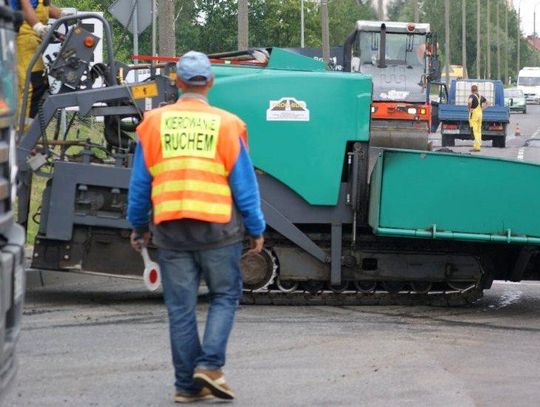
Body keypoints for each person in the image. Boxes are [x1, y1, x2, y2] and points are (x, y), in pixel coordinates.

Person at [127, 51, 265, 403]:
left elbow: (140, 185)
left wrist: (138, 226)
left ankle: (188, 386)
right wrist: (256, 227)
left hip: (171, 230)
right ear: (211, 82)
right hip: (218, 230)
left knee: (181, 308)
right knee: (224, 295)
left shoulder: (154, 123)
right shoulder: (229, 124)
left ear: (177, 81)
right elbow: (244, 184)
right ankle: (210, 365)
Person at [12, 0, 69, 125]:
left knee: (40, 85)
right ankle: (19, 135)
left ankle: (28, 133)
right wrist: (38, 26)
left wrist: (63, 15)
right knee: (29, 85)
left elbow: (43, 7)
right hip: (22, 38)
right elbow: (25, 4)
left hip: (32, 41)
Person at [467, 84, 489, 152]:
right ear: (477, 90)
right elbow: (488, 102)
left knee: (474, 130)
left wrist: (469, 108)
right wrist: (483, 108)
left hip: (474, 114)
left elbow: (469, 101)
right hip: (480, 114)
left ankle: (476, 147)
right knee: (479, 130)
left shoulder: (471, 96)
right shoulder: (480, 96)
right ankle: (478, 146)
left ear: (471, 90)